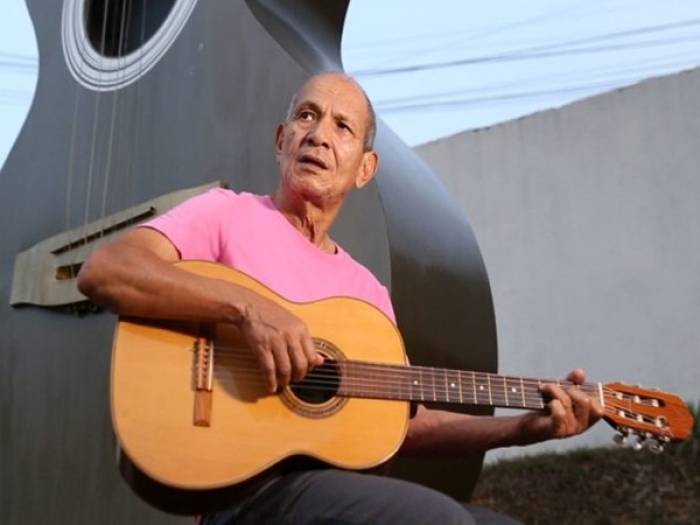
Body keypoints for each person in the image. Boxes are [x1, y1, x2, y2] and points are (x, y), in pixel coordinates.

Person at [77, 72, 603, 524]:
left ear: (365, 168)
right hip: (241, 492)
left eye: (342, 126)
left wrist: (521, 428)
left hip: (330, 494)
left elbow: (404, 422)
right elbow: (106, 270)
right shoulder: (227, 213)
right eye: (306, 116)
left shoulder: (367, 295)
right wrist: (247, 308)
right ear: (281, 139)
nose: (318, 135)